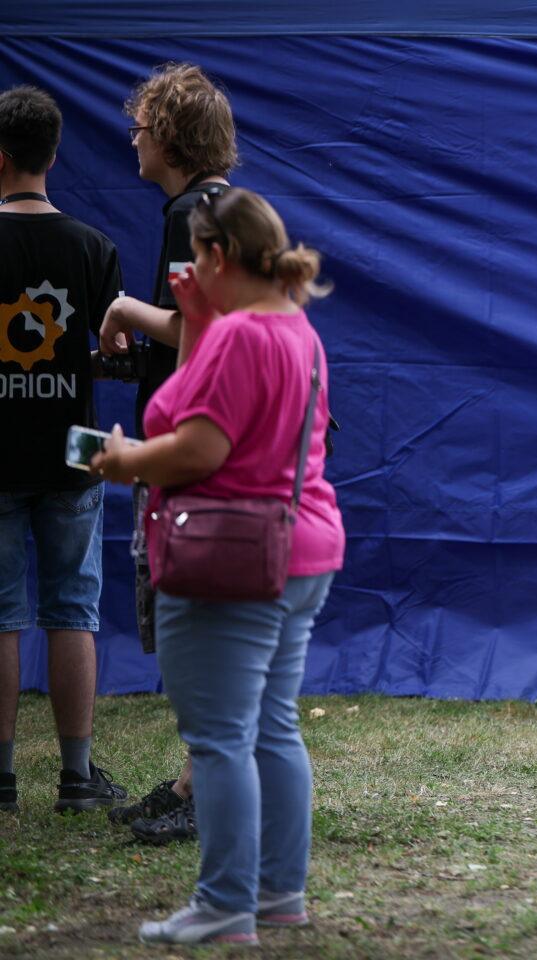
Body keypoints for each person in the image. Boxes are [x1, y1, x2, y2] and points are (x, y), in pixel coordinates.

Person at [91, 188, 344, 946]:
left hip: (230, 555)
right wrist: (200, 323)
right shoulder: (295, 328)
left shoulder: (240, 338)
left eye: (196, 256)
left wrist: (127, 460)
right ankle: (277, 894)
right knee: (271, 727)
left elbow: (203, 445)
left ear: (217, 255)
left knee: (219, 738)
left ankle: (225, 901)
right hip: (300, 547)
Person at [98, 62, 237, 844]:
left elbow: (195, 333)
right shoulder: (223, 206)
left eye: (143, 125)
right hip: (221, 446)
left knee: (187, 617)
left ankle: (205, 790)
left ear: (172, 136)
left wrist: (121, 307)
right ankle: (194, 777)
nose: (134, 138)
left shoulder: (191, 210)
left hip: (193, 449)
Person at [0, 86, 130, 815]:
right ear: (54, 156)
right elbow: (113, 349)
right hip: (74, 448)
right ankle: (77, 780)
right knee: (73, 609)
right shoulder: (94, 249)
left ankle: (3, 781)